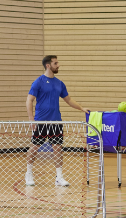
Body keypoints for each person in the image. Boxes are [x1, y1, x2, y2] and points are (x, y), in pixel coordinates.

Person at [24, 55, 90, 186]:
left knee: (58, 148)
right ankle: (28, 173)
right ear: (48, 65)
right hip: (41, 122)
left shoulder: (60, 83)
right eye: (55, 63)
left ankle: (59, 177)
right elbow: (29, 100)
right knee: (35, 147)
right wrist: (32, 119)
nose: (58, 65)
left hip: (56, 122)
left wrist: (81, 108)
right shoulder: (38, 82)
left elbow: (69, 100)